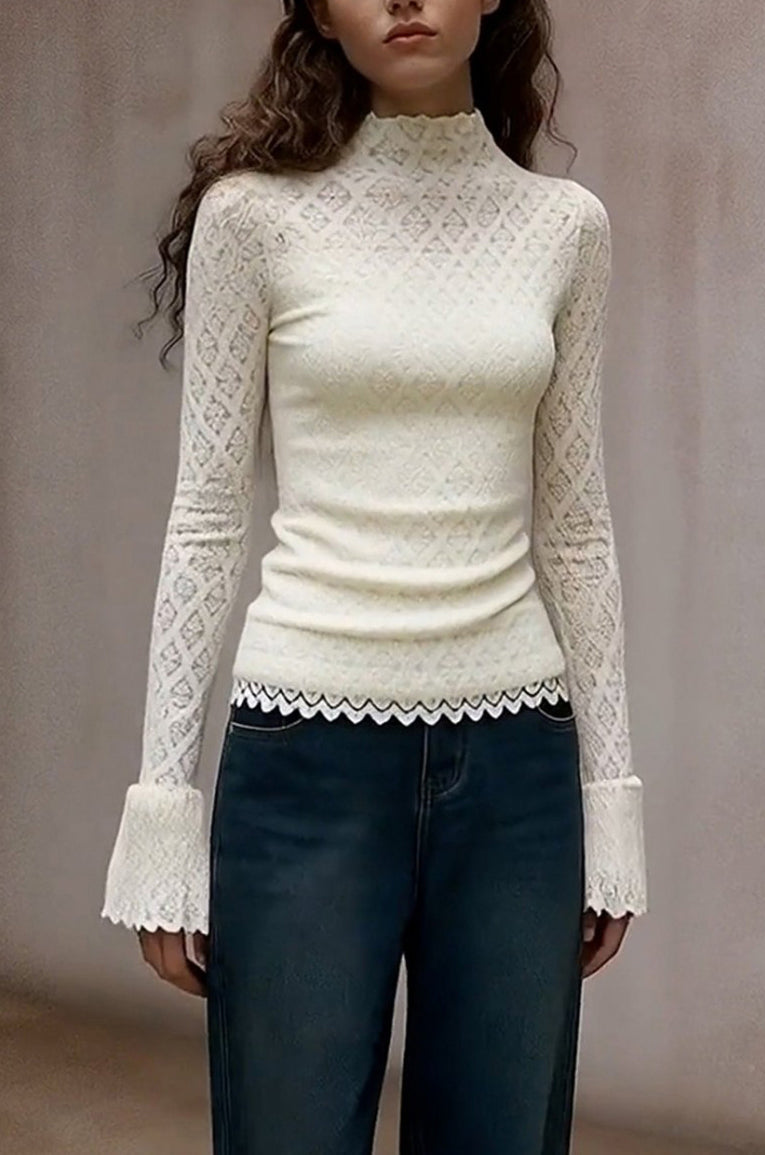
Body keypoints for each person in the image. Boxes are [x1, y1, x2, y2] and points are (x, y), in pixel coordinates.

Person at [101, 1, 648, 1151]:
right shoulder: (255, 220)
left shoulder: (564, 228)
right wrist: (162, 811)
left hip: (518, 774)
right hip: (303, 761)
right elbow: (207, 520)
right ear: (318, 10)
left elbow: (577, 528)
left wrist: (611, 802)